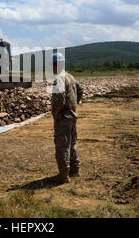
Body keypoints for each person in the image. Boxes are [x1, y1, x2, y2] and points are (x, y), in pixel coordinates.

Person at [51, 52, 84, 184]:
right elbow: (80, 90)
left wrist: (56, 111)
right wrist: (74, 105)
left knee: (62, 146)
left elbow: (59, 98)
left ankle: (64, 176)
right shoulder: (71, 76)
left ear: (55, 65)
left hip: (63, 118)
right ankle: (75, 171)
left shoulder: (59, 78)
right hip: (72, 115)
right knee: (72, 144)